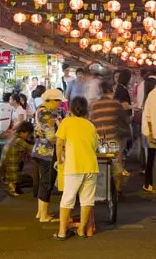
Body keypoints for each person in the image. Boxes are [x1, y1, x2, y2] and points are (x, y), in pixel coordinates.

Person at [55, 96, 99, 241]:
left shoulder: (66, 122)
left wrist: (59, 158)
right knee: (87, 200)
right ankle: (81, 230)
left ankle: (62, 232)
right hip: (91, 166)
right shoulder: (90, 125)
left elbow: (59, 143)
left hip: (74, 166)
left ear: (72, 109)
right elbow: (96, 146)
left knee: (68, 198)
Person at [32, 89, 66, 223]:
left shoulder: (45, 110)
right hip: (46, 152)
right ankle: (44, 215)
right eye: (58, 102)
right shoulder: (45, 113)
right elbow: (51, 135)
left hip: (41, 151)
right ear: (51, 100)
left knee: (44, 182)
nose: (60, 105)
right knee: (47, 182)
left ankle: (41, 212)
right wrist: (62, 143)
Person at [90, 81, 130, 194]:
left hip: (100, 138)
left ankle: (101, 187)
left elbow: (91, 120)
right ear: (111, 90)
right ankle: (118, 188)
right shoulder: (116, 104)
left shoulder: (93, 105)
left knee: (102, 161)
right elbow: (123, 120)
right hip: (113, 137)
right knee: (116, 162)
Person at [0, 121, 34, 197]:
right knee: (29, 180)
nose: (28, 136)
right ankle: (11, 188)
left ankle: (14, 187)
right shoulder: (19, 141)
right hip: (10, 167)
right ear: (24, 132)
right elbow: (32, 149)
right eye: (28, 134)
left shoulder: (13, 135)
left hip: (3, 165)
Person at [140, 76, 156, 192]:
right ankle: (148, 183)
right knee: (152, 158)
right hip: (150, 132)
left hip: (148, 131)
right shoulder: (151, 98)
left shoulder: (147, 98)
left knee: (151, 158)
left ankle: (149, 182)